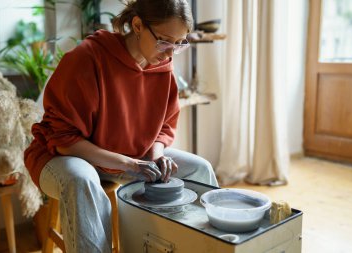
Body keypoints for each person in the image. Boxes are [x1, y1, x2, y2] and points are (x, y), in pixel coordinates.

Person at [24, 0, 218, 252]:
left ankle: (204, 247)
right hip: (60, 156)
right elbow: (64, 139)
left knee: (199, 170)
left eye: (179, 43)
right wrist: (129, 163)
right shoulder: (88, 58)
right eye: (164, 41)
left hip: (128, 155)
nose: (170, 53)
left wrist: (156, 155)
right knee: (83, 179)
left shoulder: (162, 67)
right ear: (137, 25)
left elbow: (164, 126)